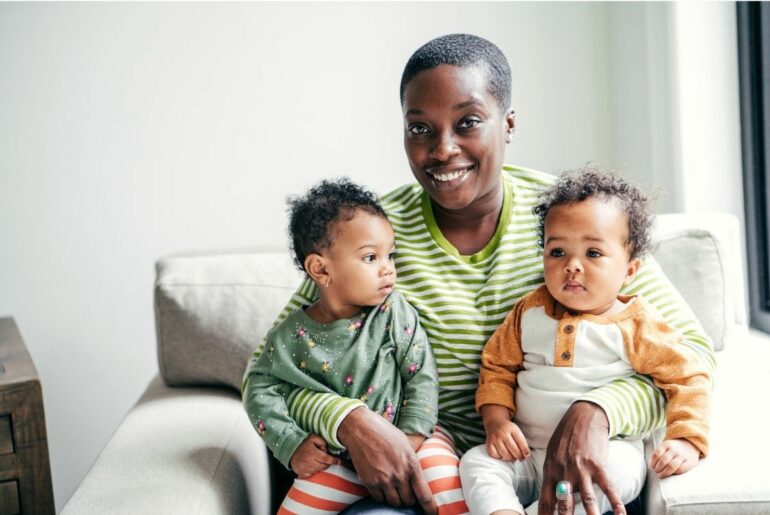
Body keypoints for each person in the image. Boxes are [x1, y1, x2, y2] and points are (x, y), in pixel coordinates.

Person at [243, 34, 715, 515]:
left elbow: (693, 356)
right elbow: (272, 368)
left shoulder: (575, 221)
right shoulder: (368, 236)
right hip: (419, 474)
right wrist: (349, 420)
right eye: (419, 128)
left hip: (569, 469)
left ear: (507, 124)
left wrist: (599, 410)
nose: (443, 149)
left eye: (468, 122)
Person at [459, 169, 711, 515]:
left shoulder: (638, 324)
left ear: (630, 270)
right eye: (558, 251)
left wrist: (687, 439)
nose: (572, 266)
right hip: (527, 454)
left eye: (593, 254)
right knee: (476, 463)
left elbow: (688, 377)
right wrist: (497, 422)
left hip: (602, 453)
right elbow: (496, 367)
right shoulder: (529, 312)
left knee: (621, 473)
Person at [243, 179, 467, 514]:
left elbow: (421, 374)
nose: (388, 268)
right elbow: (259, 389)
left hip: (417, 442)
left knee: (450, 491)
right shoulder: (289, 337)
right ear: (320, 269)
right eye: (370, 257)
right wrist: (291, 444)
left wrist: (411, 439)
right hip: (338, 459)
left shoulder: (393, 312)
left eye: (390, 255)